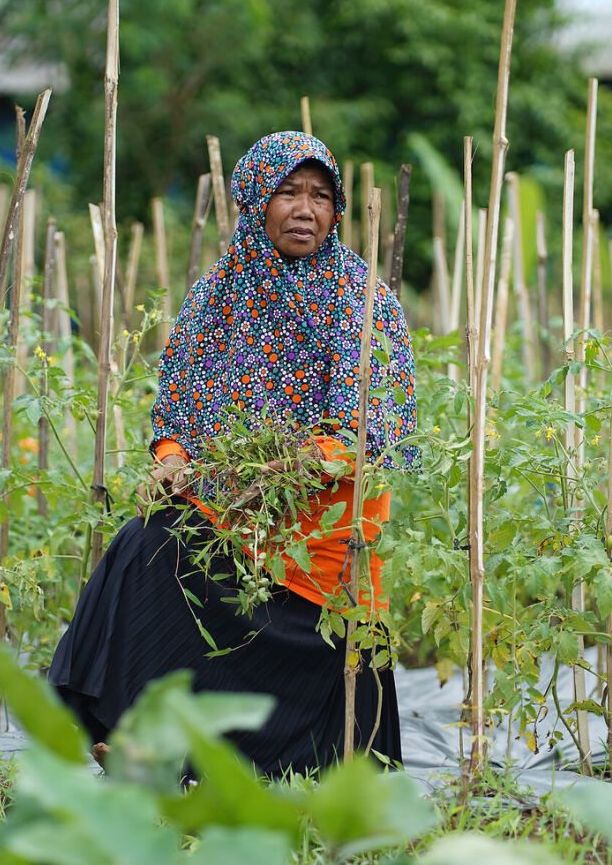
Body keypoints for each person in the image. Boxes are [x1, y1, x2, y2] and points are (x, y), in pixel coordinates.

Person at [49, 131, 418, 776]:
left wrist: (297, 464)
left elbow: (374, 424)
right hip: (232, 509)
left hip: (321, 526)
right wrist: (170, 460)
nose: (306, 209)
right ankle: (140, 738)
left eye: (322, 196)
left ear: (336, 213)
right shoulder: (217, 297)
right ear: (254, 200)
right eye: (288, 192)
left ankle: (271, 758)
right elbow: (178, 405)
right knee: (146, 543)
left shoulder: (363, 300)